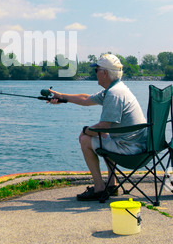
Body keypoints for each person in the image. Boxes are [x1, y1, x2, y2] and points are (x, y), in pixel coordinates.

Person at [48, 53, 147, 201]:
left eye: (96, 70)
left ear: (105, 73)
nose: (95, 73)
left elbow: (104, 126)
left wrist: (85, 131)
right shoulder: (116, 88)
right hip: (136, 145)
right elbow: (86, 99)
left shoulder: (114, 94)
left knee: (85, 139)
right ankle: (112, 184)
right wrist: (62, 96)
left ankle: (99, 187)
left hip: (130, 150)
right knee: (102, 136)